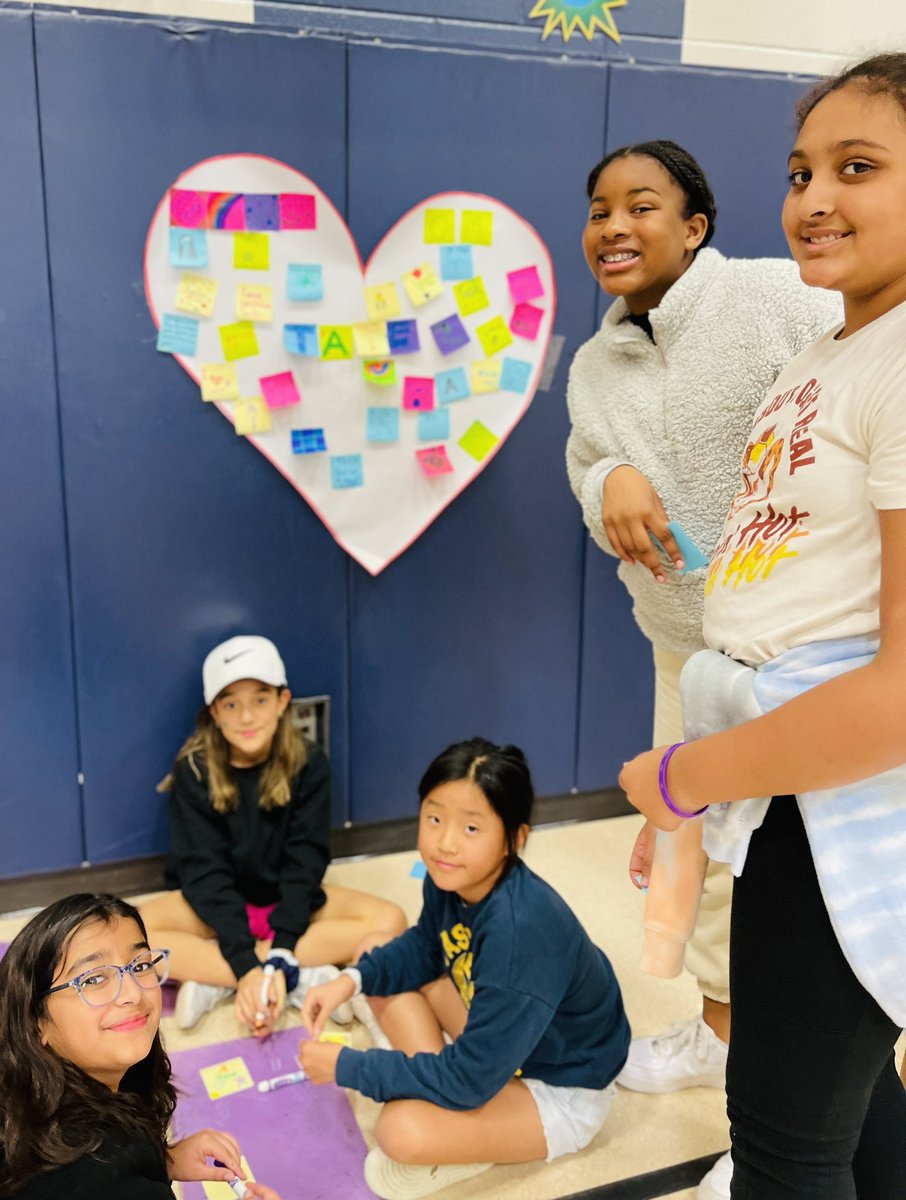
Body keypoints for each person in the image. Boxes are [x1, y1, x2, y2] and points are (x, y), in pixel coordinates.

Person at [619, 52, 906, 1199]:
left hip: (847, 802)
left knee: (784, 1144)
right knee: (848, 1088)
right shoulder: (834, 345)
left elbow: (896, 691)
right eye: (799, 171)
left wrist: (690, 773)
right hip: (792, 783)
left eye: (858, 167)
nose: (814, 198)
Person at [565, 140, 841, 1199]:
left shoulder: (776, 301)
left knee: (793, 883)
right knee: (701, 867)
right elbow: (587, 462)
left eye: (644, 205)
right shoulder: (596, 363)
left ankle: (781, 1121)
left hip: (805, 651)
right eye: (598, 208)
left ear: (696, 225)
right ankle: (723, 1040)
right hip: (687, 648)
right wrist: (611, 483)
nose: (614, 226)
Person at [295, 737, 629, 1200]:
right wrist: (347, 982)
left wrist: (349, 1066)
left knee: (400, 1131)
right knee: (374, 953)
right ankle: (450, 1099)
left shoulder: (522, 930)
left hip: (560, 1086)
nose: (444, 843)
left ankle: (465, 1123)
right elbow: (425, 948)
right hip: (505, 1047)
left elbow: (472, 1078)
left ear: (516, 839)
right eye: (434, 818)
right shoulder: (452, 878)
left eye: (471, 829)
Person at [140, 635, 406, 1037]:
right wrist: (245, 963)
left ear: (283, 701)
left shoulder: (308, 762)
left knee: (391, 920)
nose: (247, 717)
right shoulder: (194, 770)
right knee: (135, 935)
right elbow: (204, 874)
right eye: (231, 704)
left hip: (286, 900)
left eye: (260, 700)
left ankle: (233, 974)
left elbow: (307, 860)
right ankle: (288, 976)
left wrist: (281, 946)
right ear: (214, 712)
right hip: (217, 910)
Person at [0, 893, 281, 1199]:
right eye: (93, 980)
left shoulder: (22, 1095)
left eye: (140, 965)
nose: (133, 993)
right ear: (36, 1019)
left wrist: (161, 1160)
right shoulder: (106, 1179)